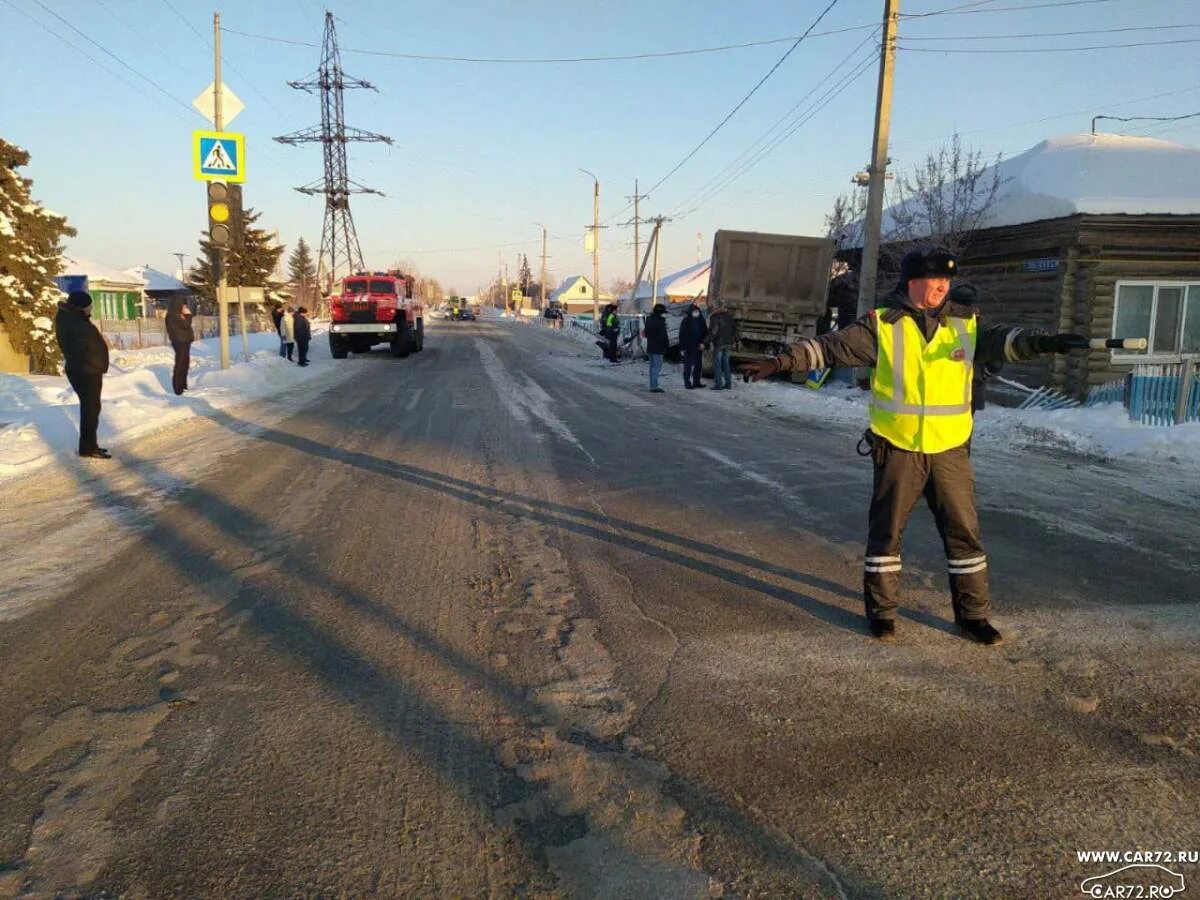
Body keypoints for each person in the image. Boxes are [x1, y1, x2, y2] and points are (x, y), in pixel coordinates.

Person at [740, 247, 1086, 646]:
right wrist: (780, 362)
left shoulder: (966, 323)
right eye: (934, 279)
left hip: (950, 449)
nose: (942, 286)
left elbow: (1005, 342)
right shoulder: (882, 325)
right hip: (898, 447)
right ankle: (882, 614)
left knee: (964, 534)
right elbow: (830, 347)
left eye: (946, 280)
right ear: (911, 282)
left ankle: (973, 616)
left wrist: (1046, 343)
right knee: (886, 534)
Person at [54, 290, 111, 459]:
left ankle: (90, 445)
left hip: (85, 369)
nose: (91, 308)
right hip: (86, 371)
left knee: (91, 409)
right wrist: (95, 365)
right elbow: (83, 350)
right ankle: (88, 448)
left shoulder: (71, 319)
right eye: (89, 305)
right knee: (90, 409)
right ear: (81, 307)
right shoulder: (77, 324)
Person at [164, 296, 195, 395]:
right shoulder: (173, 315)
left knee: (185, 364)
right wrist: (188, 315)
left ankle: (183, 386)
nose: (185, 307)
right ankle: (178, 389)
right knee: (180, 364)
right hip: (179, 342)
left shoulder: (178, 315)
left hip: (185, 341)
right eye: (183, 305)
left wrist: (186, 316)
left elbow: (186, 326)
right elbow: (186, 326)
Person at [678, 301, 708, 389]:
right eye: (694, 311)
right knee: (688, 365)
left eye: (697, 311)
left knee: (698, 365)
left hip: (699, 345)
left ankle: (696, 382)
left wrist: (704, 344)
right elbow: (682, 335)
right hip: (688, 346)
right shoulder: (686, 321)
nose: (696, 313)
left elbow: (705, 333)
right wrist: (682, 347)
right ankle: (687, 382)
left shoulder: (701, 320)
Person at [706, 301, 735, 390]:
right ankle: (728, 384)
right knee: (726, 363)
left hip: (719, 344)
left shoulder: (715, 317)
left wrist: (705, 342)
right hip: (728, 343)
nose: (714, 309)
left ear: (717, 308)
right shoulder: (729, 317)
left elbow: (713, 333)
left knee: (717, 364)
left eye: (715, 308)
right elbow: (735, 330)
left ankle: (719, 384)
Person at [644, 303, 669, 393]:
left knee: (652, 367)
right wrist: (667, 345)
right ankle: (654, 386)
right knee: (657, 367)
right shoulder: (660, 321)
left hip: (650, 346)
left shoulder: (649, 319)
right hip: (658, 348)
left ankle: (652, 385)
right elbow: (663, 336)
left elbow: (646, 333)